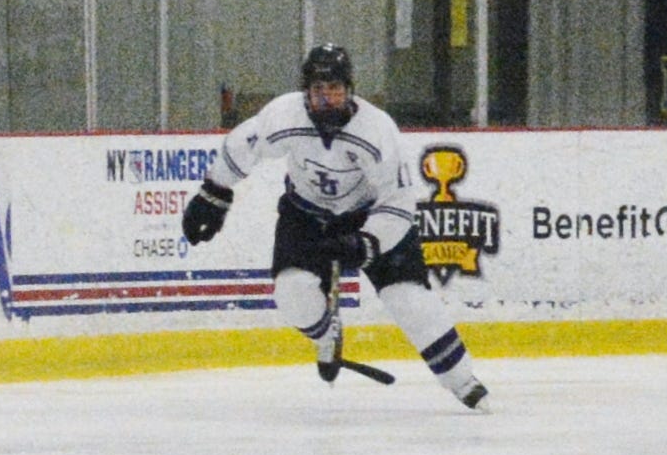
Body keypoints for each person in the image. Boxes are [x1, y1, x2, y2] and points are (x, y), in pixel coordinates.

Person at [179, 43, 489, 409]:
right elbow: (243, 146)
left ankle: (462, 380)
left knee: (407, 299)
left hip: (370, 214)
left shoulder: (377, 131)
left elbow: (399, 201)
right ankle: (327, 337)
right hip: (306, 214)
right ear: (306, 92)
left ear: (350, 89)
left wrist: (367, 243)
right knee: (292, 294)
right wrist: (214, 191)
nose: (326, 99)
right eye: (318, 91)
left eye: (335, 89)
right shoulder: (284, 115)